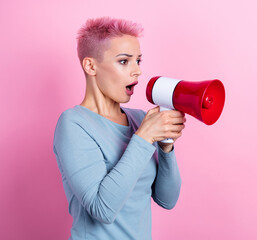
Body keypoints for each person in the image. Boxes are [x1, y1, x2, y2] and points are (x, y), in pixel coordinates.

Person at [53, 17, 186, 240]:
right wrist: (143, 138)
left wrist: (165, 146)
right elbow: (102, 209)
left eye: (138, 61)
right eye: (124, 61)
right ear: (91, 66)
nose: (137, 72)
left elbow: (167, 199)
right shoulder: (73, 124)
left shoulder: (138, 120)